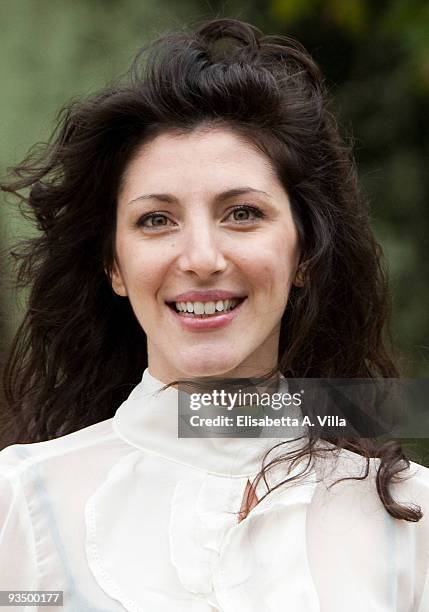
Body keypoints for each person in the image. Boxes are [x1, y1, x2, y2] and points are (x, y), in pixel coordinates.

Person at [0, 17, 428, 612]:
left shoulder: (411, 518)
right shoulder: (21, 502)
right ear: (114, 267)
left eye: (243, 213)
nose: (201, 259)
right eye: (156, 220)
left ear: (303, 252)